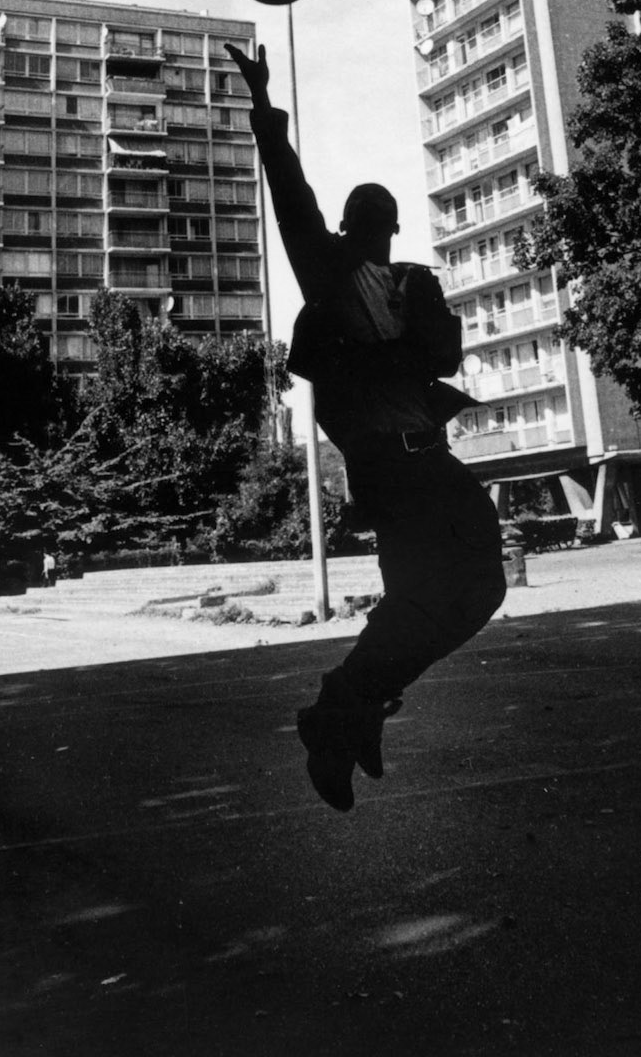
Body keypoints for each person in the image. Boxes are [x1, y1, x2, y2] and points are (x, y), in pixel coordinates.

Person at [226, 40, 507, 812]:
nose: (371, 226)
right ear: (353, 223)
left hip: (419, 457)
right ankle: (339, 709)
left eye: (376, 219)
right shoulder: (330, 274)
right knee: (469, 586)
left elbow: (444, 352)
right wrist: (264, 110)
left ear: (385, 224)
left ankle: (355, 710)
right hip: (394, 465)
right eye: (363, 218)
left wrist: (417, 319)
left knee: (441, 596)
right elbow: (290, 194)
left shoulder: (415, 282)